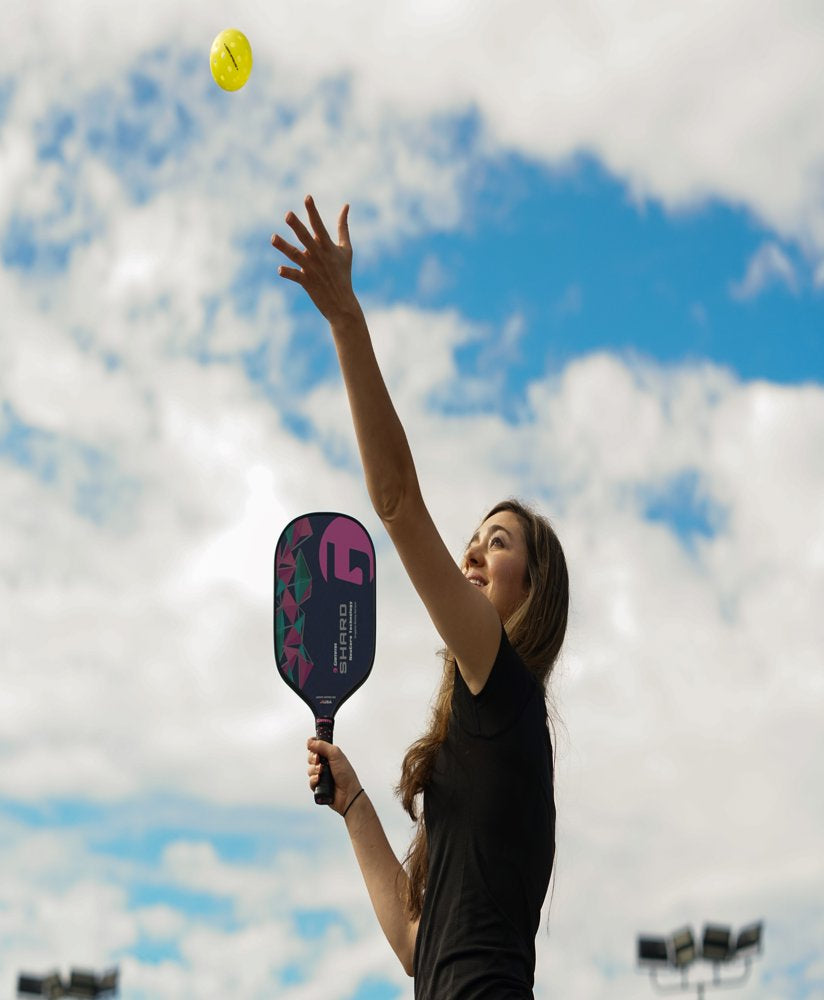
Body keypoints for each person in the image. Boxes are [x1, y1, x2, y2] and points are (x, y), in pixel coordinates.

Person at [271, 196, 570, 999]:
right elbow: (412, 942)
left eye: (498, 542)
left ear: (533, 595)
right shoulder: (479, 736)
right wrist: (354, 800)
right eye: (477, 534)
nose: (473, 547)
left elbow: (398, 502)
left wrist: (345, 322)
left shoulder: (505, 688)